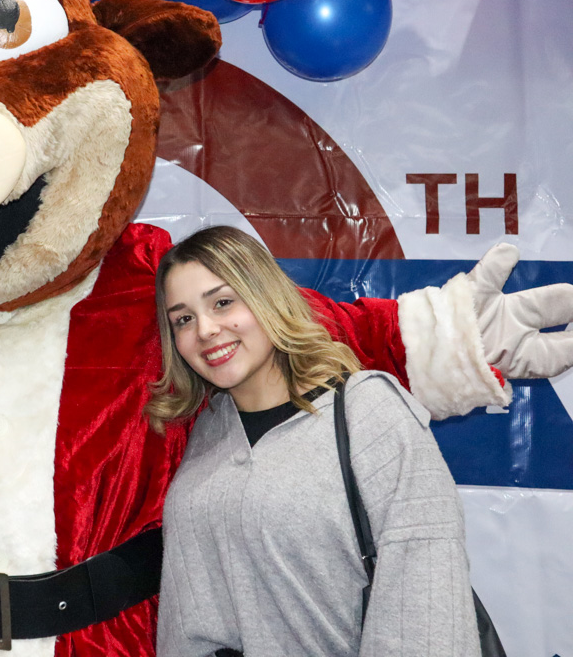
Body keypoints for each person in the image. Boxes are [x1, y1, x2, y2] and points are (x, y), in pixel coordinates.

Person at [149, 226, 479, 657]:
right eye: (183, 319)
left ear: (266, 298)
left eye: (223, 302)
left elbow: (427, 604)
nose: (206, 330)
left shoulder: (368, 411)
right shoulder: (209, 428)